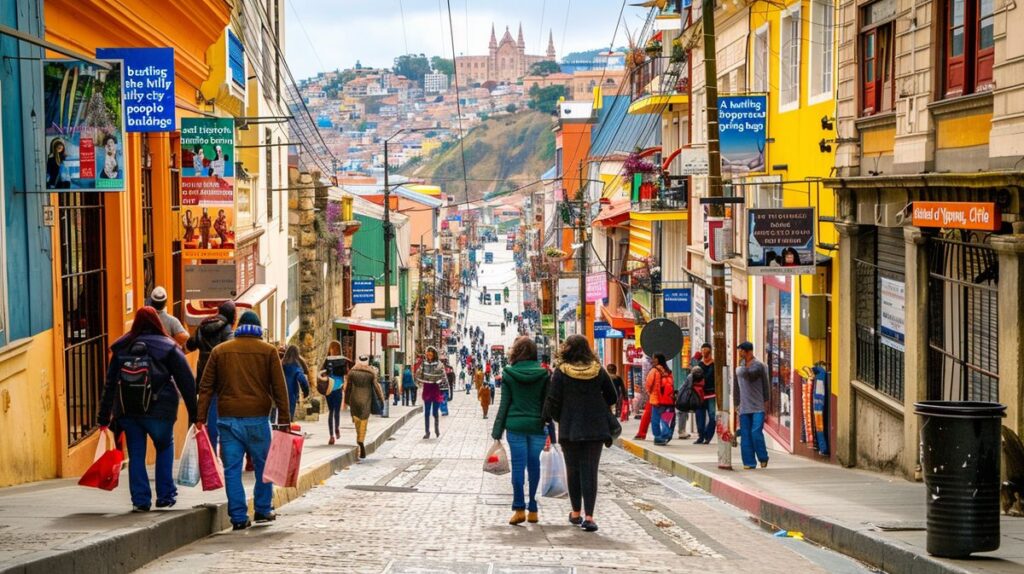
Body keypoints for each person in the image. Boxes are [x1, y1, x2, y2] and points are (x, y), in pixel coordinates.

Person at [96, 307, 197, 512]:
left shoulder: (122, 347)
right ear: (158, 322)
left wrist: (104, 417)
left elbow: (110, 384)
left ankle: (140, 500)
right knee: (164, 446)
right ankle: (165, 495)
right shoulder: (169, 347)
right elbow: (186, 382)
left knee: (136, 454)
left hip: (129, 411)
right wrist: (195, 414)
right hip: (161, 410)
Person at [197, 310, 290, 531]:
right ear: (259, 329)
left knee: (232, 469)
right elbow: (279, 387)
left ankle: (238, 517)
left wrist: (200, 418)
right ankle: (263, 508)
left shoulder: (220, 351)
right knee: (263, 467)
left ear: (239, 327)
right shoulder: (268, 352)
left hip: (228, 420)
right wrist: (285, 419)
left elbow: (206, 386)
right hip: (258, 419)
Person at [542, 335, 617, 533]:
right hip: (595, 428)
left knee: (573, 470)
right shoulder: (598, 370)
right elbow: (612, 396)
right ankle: (590, 517)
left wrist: (560, 418)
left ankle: (576, 513)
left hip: (570, 428)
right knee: (590, 471)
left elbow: (553, 401)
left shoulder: (561, 372)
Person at [492, 337, 550, 525]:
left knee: (518, 467)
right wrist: (551, 430)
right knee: (534, 466)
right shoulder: (544, 374)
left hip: (515, 427)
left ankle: (518, 509)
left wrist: (497, 431)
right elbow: (546, 405)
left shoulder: (509, 374)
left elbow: (504, 405)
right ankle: (532, 509)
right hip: (537, 427)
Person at [185, 300, 235, 451]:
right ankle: (213, 451)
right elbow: (230, 352)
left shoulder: (203, 326)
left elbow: (190, 344)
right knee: (215, 412)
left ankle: (207, 448)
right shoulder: (226, 330)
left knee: (204, 411)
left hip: (202, 374)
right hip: (218, 376)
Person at [734, 341, 771, 469]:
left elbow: (751, 376)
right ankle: (749, 462)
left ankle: (763, 457)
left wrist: (767, 404)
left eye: (741, 351)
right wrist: (736, 403)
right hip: (744, 407)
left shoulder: (758, 366)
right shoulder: (740, 366)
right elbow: (736, 387)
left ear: (748, 351)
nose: (739, 353)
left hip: (758, 407)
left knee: (756, 433)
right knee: (745, 436)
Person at [344, 355, 385, 459]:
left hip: (354, 399)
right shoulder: (371, 373)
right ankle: (361, 441)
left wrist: (346, 400)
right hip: (366, 399)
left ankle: (359, 438)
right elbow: (376, 387)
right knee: (364, 421)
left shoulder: (352, 373)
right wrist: (381, 399)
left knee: (357, 420)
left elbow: (348, 388)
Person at [319, 341, 347, 445]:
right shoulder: (343, 360)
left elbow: (321, 372)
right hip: (338, 388)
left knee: (331, 411)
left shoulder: (327, 360)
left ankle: (331, 436)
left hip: (329, 388)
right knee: (337, 411)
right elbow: (345, 373)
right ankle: (337, 428)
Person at [645, 353, 675, 445]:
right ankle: (665, 434)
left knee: (655, 419)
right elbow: (672, 384)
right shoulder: (669, 371)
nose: (652, 360)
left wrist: (650, 393)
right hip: (668, 399)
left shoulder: (654, 371)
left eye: (654, 358)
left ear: (657, 360)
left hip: (656, 400)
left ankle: (658, 437)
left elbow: (648, 384)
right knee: (666, 418)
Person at [416, 346, 446, 439]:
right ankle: (427, 432)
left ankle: (436, 429)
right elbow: (418, 374)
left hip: (435, 389)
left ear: (434, 354)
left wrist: (438, 381)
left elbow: (443, 377)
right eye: (427, 353)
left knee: (435, 412)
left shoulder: (439, 364)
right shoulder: (424, 365)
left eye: (431, 353)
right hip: (427, 389)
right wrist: (421, 381)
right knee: (427, 412)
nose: (429, 355)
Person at [693, 343, 717, 444]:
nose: (703, 352)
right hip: (700, 394)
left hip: (711, 394)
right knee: (699, 416)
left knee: (712, 416)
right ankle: (701, 436)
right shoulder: (699, 365)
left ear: (710, 351)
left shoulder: (714, 364)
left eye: (706, 350)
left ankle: (708, 435)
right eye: (702, 350)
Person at [282, 345, 310, 420]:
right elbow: (302, 380)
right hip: (291, 394)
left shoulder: (281, 364)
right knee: (289, 418)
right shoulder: (295, 366)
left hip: (280, 394)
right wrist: (306, 391)